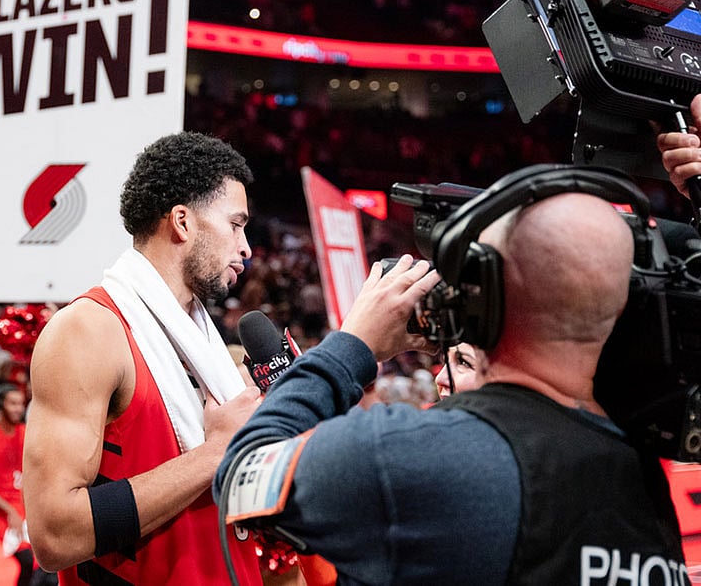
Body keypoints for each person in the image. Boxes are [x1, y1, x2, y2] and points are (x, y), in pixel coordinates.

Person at [214, 192, 688, 584]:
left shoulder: (420, 454)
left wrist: (352, 344)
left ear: (489, 296)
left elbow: (240, 480)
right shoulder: (641, 469)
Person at [23, 132, 263, 585]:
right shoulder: (88, 330)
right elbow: (53, 534)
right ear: (182, 222)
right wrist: (216, 453)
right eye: (235, 224)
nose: (245, 247)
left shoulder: (202, 340)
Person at [0, 383, 54, 586]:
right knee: (27, 561)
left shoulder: (26, 432)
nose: (18, 409)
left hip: (26, 506)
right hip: (0, 511)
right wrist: (9, 511)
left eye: (21, 404)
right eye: (12, 403)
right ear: (0, 405)